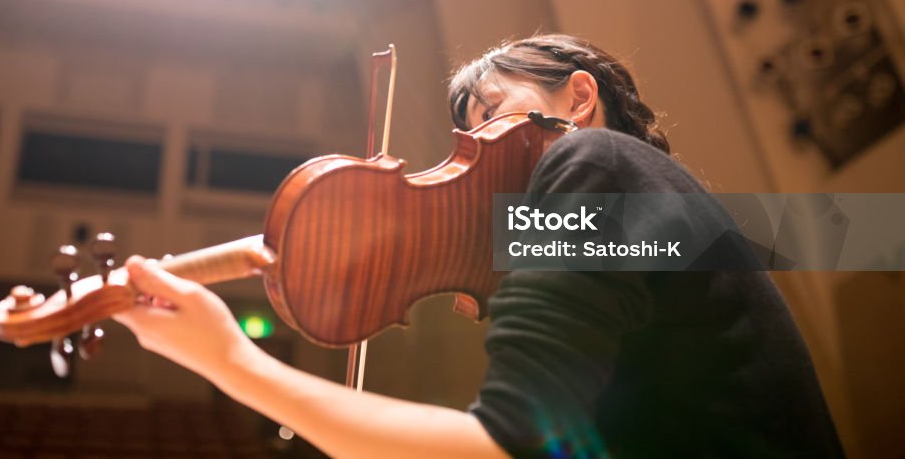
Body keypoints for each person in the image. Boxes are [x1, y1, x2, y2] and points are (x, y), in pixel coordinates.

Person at [114, 33, 845, 458]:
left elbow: (500, 445)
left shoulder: (591, 161)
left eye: (492, 112)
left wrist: (229, 360)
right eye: (468, 133)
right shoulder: (641, 202)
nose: (480, 146)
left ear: (579, 98)